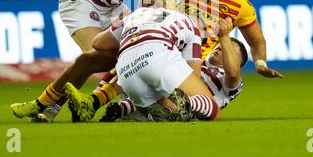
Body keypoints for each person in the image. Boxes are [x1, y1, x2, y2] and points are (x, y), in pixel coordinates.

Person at [10, 0, 206, 121]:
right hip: (81, 0)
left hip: (111, 5)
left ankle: (87, 105)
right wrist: (175, 10)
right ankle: (45, 104)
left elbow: (149, 10)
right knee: (99, 57)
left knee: (134, 48)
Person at [65, 6, 220, 122]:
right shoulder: (192, 27)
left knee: (167, 113)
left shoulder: (139, 13)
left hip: (126, 71)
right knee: (211, 108)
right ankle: (187, 104)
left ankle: (165, 110)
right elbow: (194, 74)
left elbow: (98, 43)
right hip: (157, 54)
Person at [99, 19, 248, 122]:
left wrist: (224, 36)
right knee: (133, 63)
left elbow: (233, 73)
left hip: (192, 110)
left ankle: (185, 104)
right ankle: (98, 100)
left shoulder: (231, 82)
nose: (221, 48)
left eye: (229, 50)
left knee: (188, 98)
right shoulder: (195, 60)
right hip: (154, 93)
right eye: (220, 46)